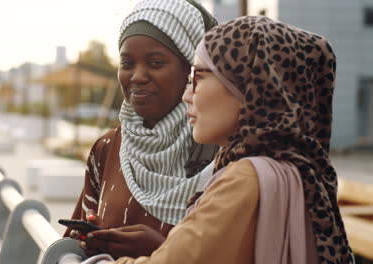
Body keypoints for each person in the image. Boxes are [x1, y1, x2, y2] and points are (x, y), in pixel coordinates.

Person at [85, 16, 354, 263]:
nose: (187, 95)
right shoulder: (302, 171)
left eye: (199, 77)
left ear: (250, 85)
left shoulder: (244, 178)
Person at [65, 0, 219, 258]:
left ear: (191, 71)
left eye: (155, 63)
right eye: (127, 64)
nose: (137, 76)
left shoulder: (224, 152)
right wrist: (90, 237)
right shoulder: (108, 148)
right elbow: (74, 246)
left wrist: (164, 251)